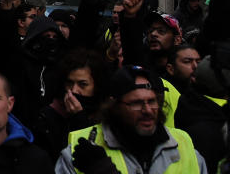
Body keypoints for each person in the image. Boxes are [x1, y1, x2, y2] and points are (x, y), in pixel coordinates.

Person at [56, 66, 205, 174]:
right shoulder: (80, 148)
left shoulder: (183, 143)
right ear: (114, 107)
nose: (147, 110)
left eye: (152, 102)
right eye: (136, 103)